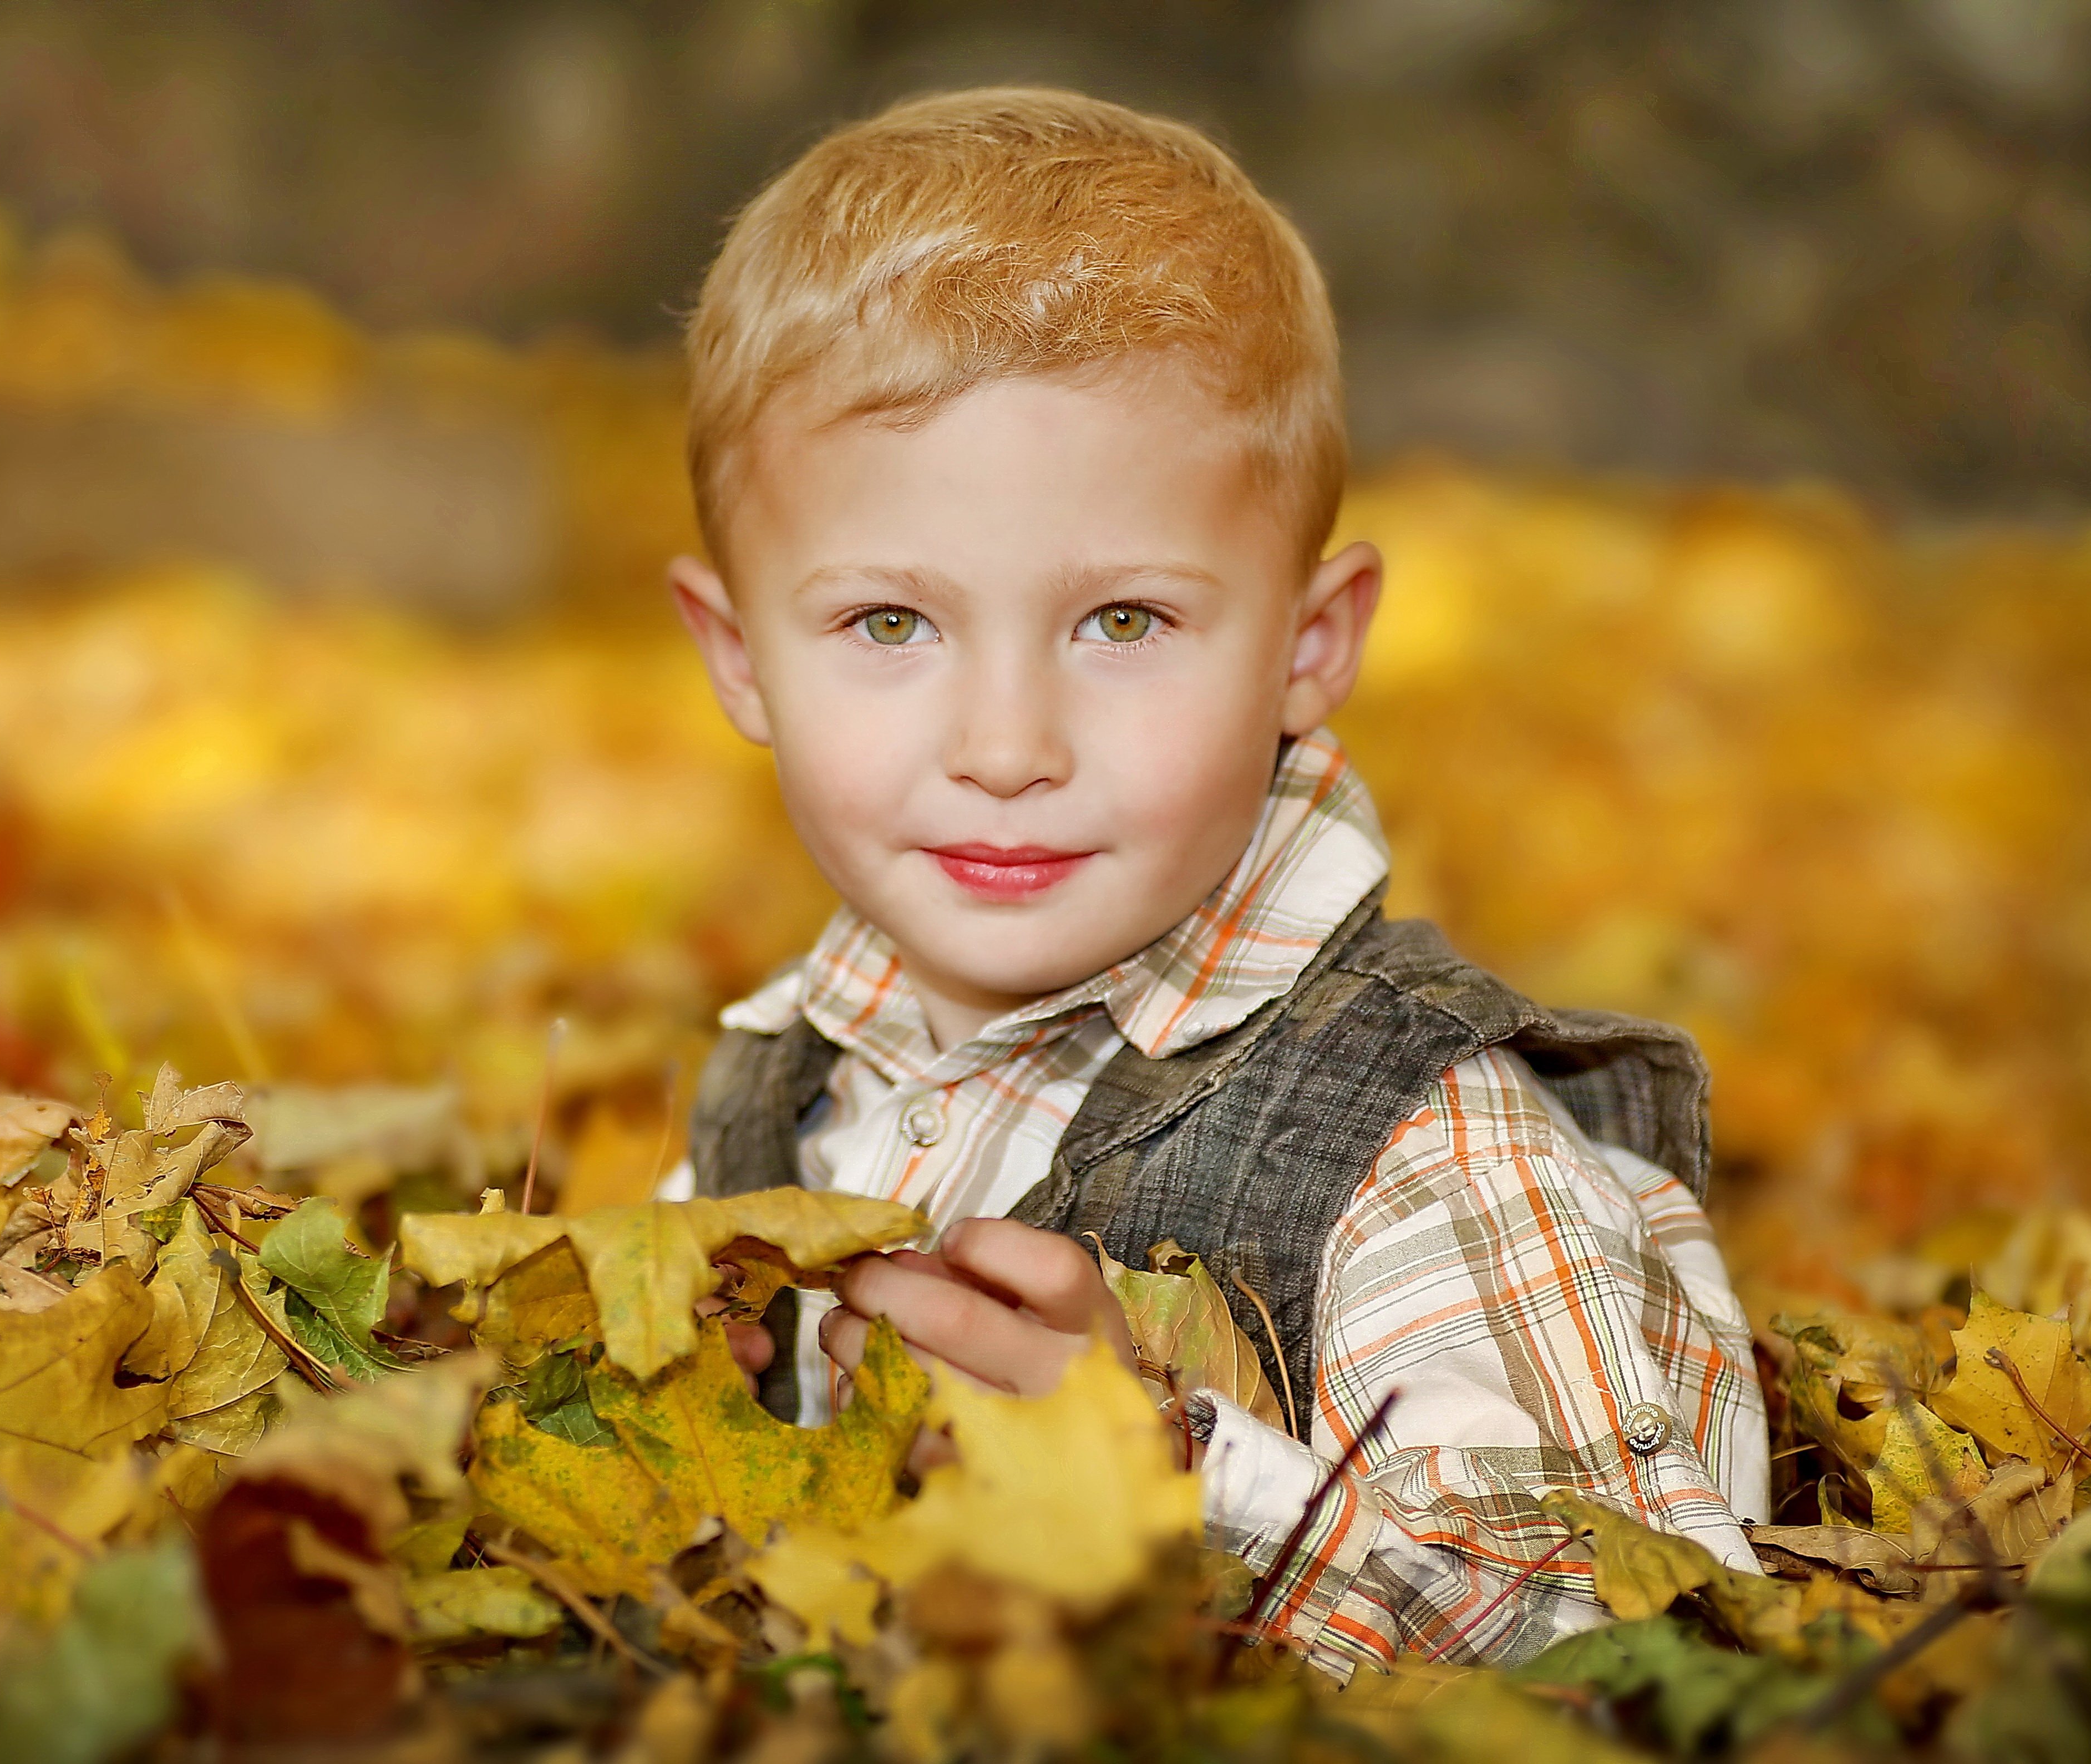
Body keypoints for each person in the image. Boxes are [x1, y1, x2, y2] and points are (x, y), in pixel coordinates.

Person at [652, 87, 1768, 1677]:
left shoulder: (1417, 1144)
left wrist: (1171, 1479)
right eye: (889, 624)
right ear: (737, 655)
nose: (1006, 744)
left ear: (1305, 648)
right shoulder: (776, 1088)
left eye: (1123, 622)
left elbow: (1634, 1661)